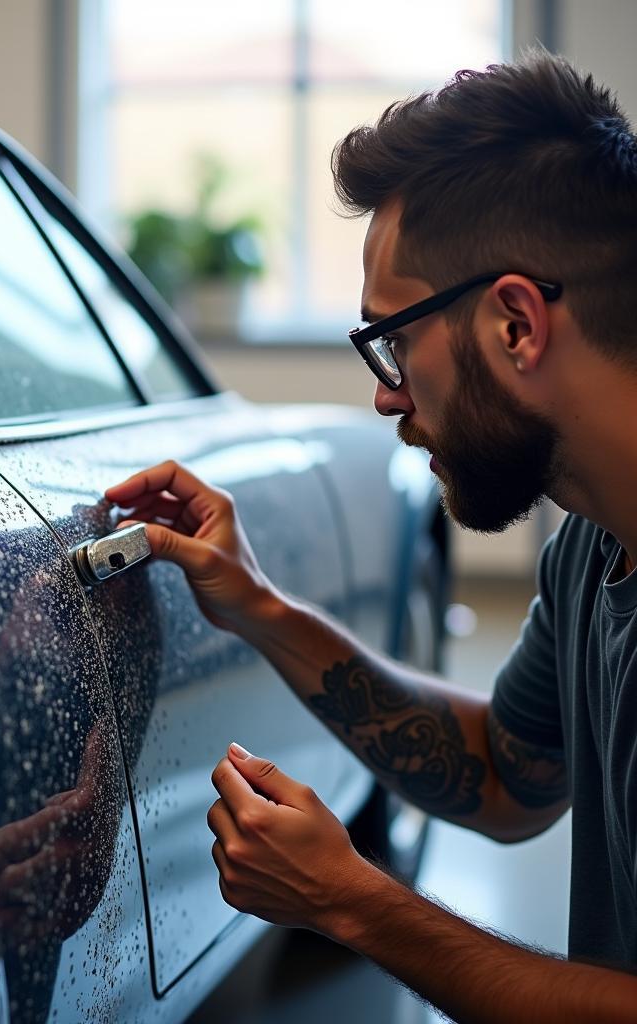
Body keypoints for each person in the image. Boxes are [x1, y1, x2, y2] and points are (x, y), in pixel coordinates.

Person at [105, 50, 637, 1023]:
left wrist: (353, 903)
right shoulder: (590, 547)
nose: (387, 394)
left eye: (393, 341)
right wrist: (259, 607)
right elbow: (502, 774)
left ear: (515, 324)